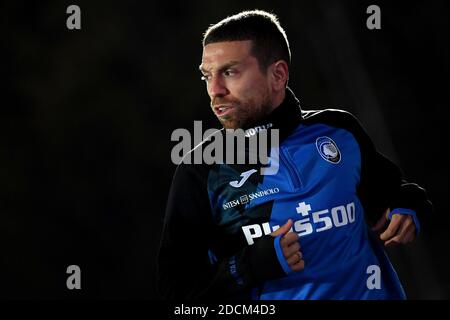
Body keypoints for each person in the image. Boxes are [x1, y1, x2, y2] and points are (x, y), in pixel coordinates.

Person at [157, 10, 432, 300]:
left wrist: (409, 207)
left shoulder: (339, 130)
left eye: (229, 72)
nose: (214, 90)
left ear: (277, 75)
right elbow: (176, 294)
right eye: (207, 76)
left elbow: (395, 196)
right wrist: (250, 265)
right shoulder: (202, 168)